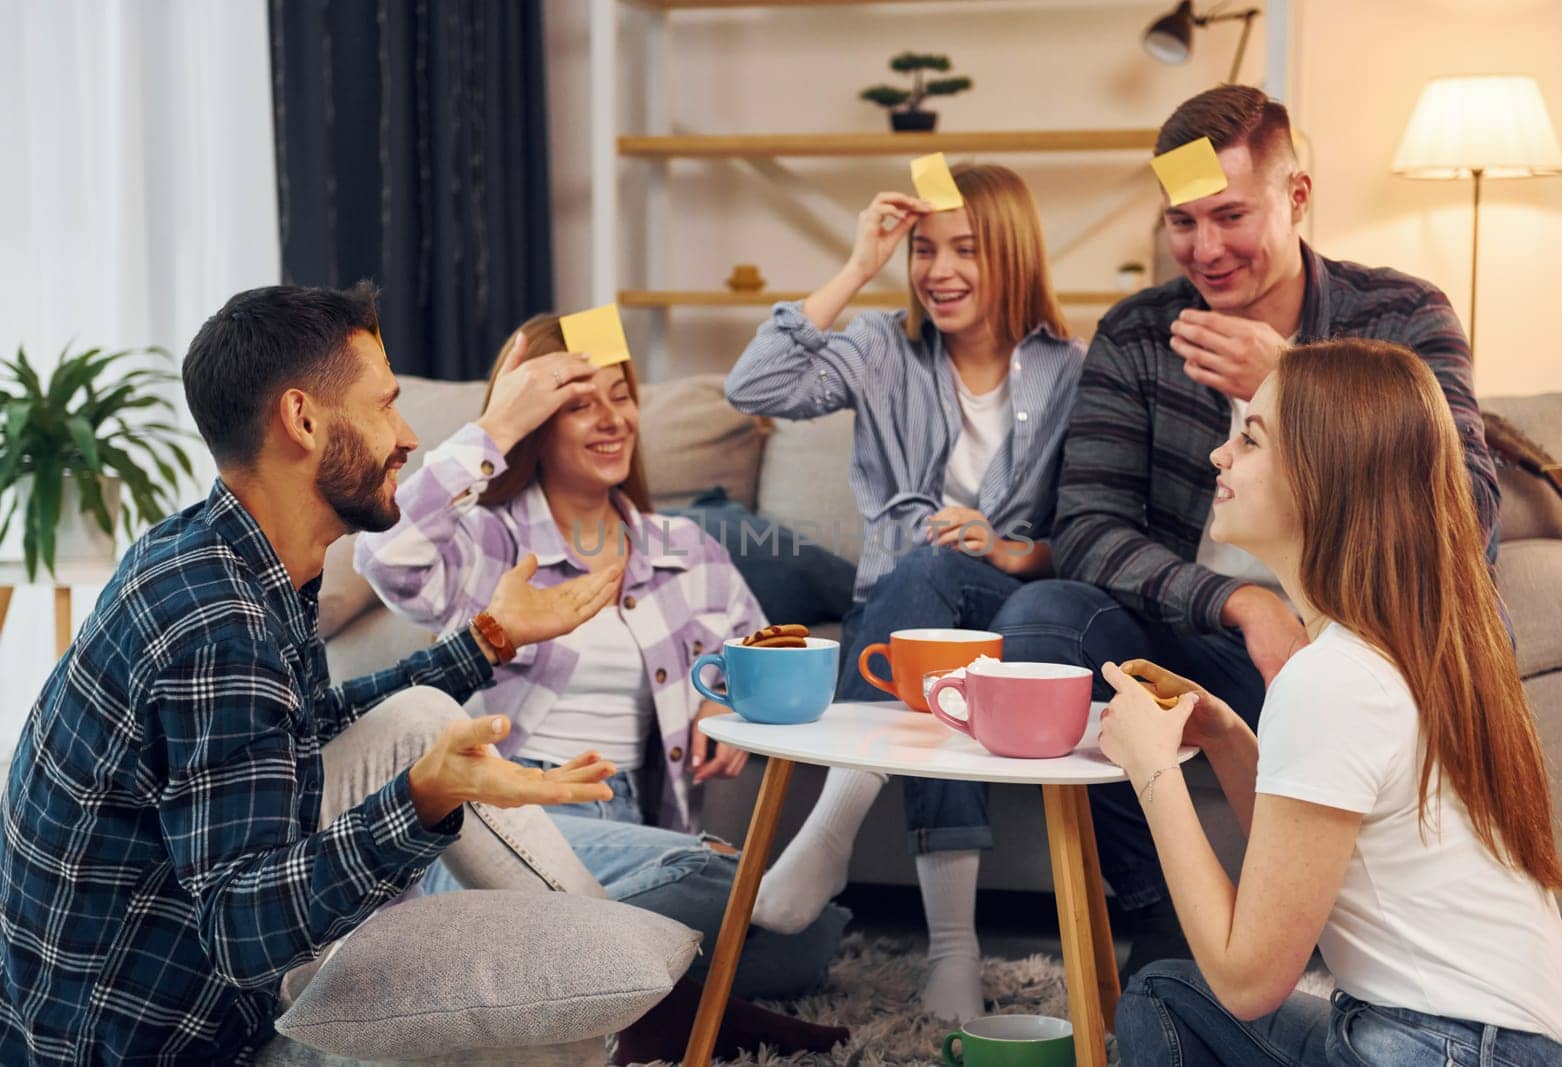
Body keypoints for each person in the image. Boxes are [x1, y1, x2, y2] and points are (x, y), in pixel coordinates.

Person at [0, 284, 625, 1064]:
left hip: (172, 977)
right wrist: (420, 800)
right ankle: (620, 1007)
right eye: (386, 406)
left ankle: (618, 975)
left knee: (425, 716)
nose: (405, 437)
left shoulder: (229, 554)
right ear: (302, 419)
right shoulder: (215, 622)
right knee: (550, 1035)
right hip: (165, 1042)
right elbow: (242, 933)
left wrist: (487, 640)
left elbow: (302, 725)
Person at [987, 85, 1501, 973]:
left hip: (1354, 646)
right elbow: (1088, 528)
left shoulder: (1402, 315)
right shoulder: (1143, 333)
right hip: (1203, 637)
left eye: (1231, 213)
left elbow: (1466, 508)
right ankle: (1164, 916)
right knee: (1041, 621)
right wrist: (1240, 604)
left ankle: (1348, 936)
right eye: (1182, 221)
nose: (1207, 248)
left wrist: (1298, 383)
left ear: (1297, 198)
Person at [1099, 338, 1562, 1065]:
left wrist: (1153, 772)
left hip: (1445, 1048)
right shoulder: (1406, 652)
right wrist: (1231, 738)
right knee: (1163, 995)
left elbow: (1247, 980)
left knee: (1184, 996)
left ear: (1321, 475)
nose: (1218, 456)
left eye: (1250, 437)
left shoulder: (1332, 679)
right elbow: (1311, 867)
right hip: (1513, 1046)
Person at [353, 312, 850, 1002]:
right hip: (499, 810)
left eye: (619, 395)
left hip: (622, 824)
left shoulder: (686, 550)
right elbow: (382, 552)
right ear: (537, 426)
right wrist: (493, 428)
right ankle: (666, 931)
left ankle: (576, 959)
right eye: (578, 403)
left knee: (810, 944)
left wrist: (726, 698)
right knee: (725, 890)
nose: (611, 418)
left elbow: (765, 664)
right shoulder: (489, 543)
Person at [723, 162, 1087, 1021]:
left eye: (966, 249)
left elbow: (1089, 528)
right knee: (923, 588)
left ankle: (833, 829)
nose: (940, 270)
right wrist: (857, 264)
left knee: (938, 584)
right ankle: (952, 951)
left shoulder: (1070, 370)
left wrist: (1005, 548)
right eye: (924, 250)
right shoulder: (885, 348)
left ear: (1013, 253)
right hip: (904, 609)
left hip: (1013, 611)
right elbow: (752, 387)